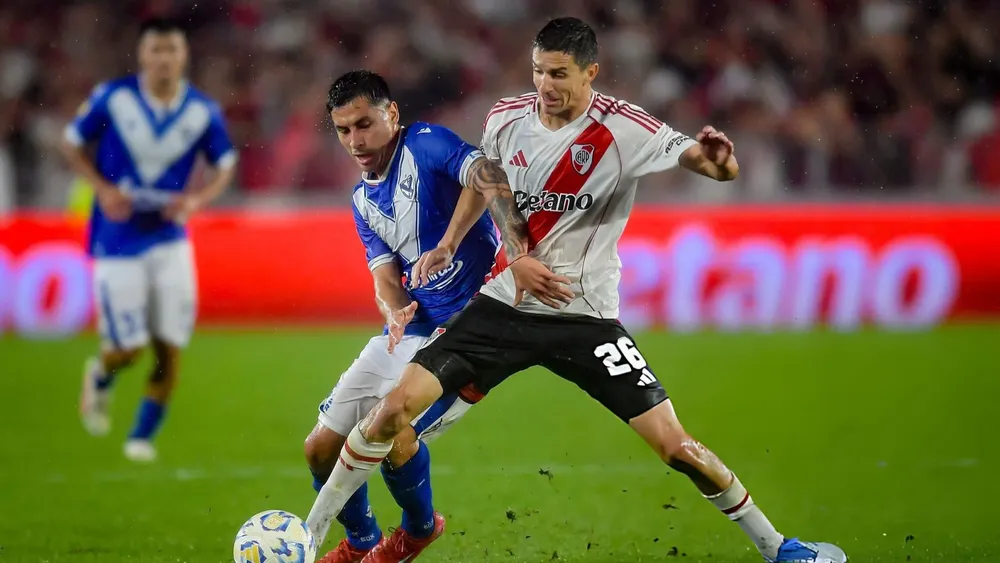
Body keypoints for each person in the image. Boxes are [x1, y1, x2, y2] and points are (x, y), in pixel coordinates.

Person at [307, 18, 849, 563]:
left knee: (673, 446)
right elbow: (486, 183)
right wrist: (455, 244)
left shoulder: (623, 129)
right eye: (539, 71)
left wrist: (720, 159)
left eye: (559, 73)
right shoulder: (505, 117)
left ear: (591, 72)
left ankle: (780, 548)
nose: (546, 84)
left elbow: (713, 166)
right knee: (391, 412)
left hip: (585, 316)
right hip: (506, 306)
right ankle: (312, 541)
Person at [307, 70, 571, 563]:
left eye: (364, 124)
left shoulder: (426, 145)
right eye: (343, 130)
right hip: (415, 327)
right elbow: (384, 273)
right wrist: (393, 307)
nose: (355, 140)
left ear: (392, 114)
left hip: (470, 329)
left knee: (393, 433)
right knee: (319, 448)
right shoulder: (362, 200)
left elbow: (490, 175)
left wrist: (489, 249)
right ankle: (360, 541)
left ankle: (418, 531)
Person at [61, 17, 236, 463]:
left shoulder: (201, 111)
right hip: (117, 236)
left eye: (171, 50)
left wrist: (197, 200)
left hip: (168, 235)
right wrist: (102, 188)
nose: (163, 58)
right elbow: (70, 143)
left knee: (169, 342)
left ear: (184, 56)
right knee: (129, 346)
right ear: (142, 55)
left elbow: (226, 165)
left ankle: (141, 437)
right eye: (155, 50)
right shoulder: (113, 98)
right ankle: (101, 374)